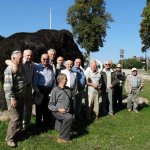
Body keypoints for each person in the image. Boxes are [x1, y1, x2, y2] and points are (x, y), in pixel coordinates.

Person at [5, 49, 35, 130]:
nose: (29, 57)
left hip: (28, 87)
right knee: (21, 108)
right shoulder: (21, 63)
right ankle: (20, 126)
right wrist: (13, 65)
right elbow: (7, 60)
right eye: (27, 55)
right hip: (19, 89)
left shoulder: (33, 64)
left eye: (31, 55)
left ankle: (26, 126)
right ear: (24, 56)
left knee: (28, 107)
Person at [4, 50, 25, 147]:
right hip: (13, 98)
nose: (22, 59)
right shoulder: (9, 69)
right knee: (15, 118)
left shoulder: (19, 66)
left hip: (20, 97)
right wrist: (12, 99)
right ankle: (9, 139)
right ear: (13, 58)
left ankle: (16, 135)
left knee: (19, 117)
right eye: (20, 58)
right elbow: (7, 87)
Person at [48, 73, 73, 143]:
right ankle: (62, 138)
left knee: (69, 117)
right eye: (65, 79)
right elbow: (50, 105)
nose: (67, 80)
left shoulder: (68, 89)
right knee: (69, 117)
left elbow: (70, 101)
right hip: (57, 111)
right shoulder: (55, 90)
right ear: (61, 80)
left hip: (66, 111)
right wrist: (59, 109)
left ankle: (60, 127)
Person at [33, 53, 56, 128]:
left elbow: (53, 80)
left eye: (47, 59)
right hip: (40, 89)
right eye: (44, 59)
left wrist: (52, 90)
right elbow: (34, 81)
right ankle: (39, 126)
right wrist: (37, 91)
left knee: (48, 108)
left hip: (49, 90)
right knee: (39, 109)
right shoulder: (37, 67)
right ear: (41, 59)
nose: (45, 61)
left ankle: (46, 125)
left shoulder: (51, 67)